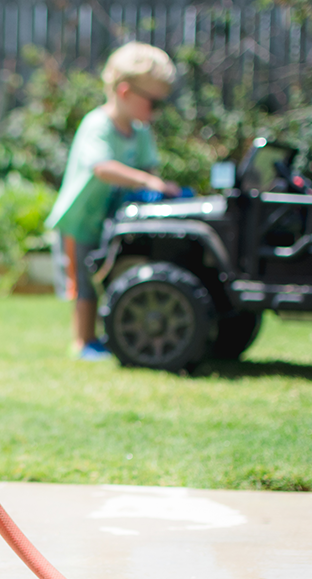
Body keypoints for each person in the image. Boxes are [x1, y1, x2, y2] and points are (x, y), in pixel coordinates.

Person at [45, 41, 180, 361]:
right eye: (154, 103)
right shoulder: (98, 125)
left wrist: (156, 185)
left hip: (110, 221)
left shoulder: (140, 132)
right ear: (124, 92)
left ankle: (107, 336)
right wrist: (148, 181)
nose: (156, 111)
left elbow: (150, 168)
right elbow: (103, 168)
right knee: (84, 285)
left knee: (108, 276)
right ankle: (82, 341)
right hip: (77, 222)